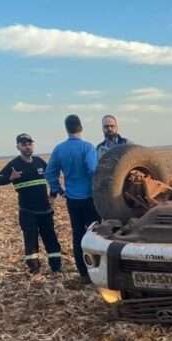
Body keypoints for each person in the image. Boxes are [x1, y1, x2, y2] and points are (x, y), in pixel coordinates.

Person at [0, 133, 62, 273]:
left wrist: (53, 195)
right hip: (27, 211)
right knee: (30, 242)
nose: (27, 147)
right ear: (18, 147)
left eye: (29, 143)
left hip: (45, 210)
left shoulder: (39, 162)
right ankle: (34, 269)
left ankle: (56, 267)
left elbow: (52, 176)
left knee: (51, 239)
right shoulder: (14, 164)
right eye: (23, 144)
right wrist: (10, 177)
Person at [45, 115, 99, 284]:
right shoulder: (88, 147)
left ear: (66, 129)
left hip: (73, 200)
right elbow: (92, 170)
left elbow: (49, 172)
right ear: (81, 127)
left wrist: (59, 190)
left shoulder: (59, 149)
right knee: (96, 234)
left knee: (78, 235)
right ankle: (97, 271)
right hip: (90, 199)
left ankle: (83, 274)